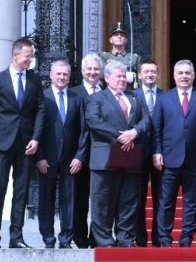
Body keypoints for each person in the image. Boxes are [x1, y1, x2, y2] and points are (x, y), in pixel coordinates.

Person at [0, 37, 45, 249]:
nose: (31, 59)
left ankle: (16, 237)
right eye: (28, 55)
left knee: (21, 192)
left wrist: (36, 138)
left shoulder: (35, 80)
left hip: (26, 145)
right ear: (15, 55)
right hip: (2, 143)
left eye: (32, 55)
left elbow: (40, 110)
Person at [84, 61, 151, 247]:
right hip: (105, 158)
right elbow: (94, 122)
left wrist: (135, 132)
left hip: (129, 157)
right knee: (102, 201)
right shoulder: (97, 98)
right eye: (118, 76)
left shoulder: (135, 98)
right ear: (107, 78)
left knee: (128, 200)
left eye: (124, 76)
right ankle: (104, 240)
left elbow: (147, 119)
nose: (122, 79)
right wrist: (122, 136)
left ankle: (125, 239)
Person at [153, 60, 196, 247]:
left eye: (187, 73)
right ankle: (164, 237)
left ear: (193, 76)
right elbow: (157, 128)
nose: (184, 76)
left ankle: (186, 237)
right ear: (174, 76)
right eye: (180, 73)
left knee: (192, 202)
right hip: (169, 159)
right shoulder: (164, 98)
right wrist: (156, 152)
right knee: (166, 201)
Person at [36, 59, 88, 249]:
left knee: (69, 200)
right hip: (47, 159)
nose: (62, 77)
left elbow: (84, 130)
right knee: (46, 200)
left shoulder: (77, 98)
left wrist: (79, 157)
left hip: (70, 159)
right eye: (58, 73)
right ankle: (48, 238)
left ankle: (66, 238)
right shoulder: (43, 97)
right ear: (51, 75)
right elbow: (37, 130)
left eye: (65, 74)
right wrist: (39, 156)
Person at [70, 52, 103, 249]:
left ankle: (97, 236)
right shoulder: (74, 93)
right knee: (79, 198)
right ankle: (80, 238)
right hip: (78, 156)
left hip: (102, 155)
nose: (92, 72)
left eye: (96, 69)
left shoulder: (108, 92)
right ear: (82, 71)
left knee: (100, 199)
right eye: (89, 69)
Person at [133, 59, 164, 247]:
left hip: (161, 153)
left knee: (161, 198)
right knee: (138, 197)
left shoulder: (166, 96)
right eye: (146, 71)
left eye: (153, 71)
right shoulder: (132, 95)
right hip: (137, 153)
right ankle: (140, 237)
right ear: (139, 74)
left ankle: (158, 237)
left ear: (157, 74)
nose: (150, 75)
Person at [100, 22, 141, 89]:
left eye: (122, 35)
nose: (119, 36)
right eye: (116, 35)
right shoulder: (104, 56)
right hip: (110, 92)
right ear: (111, 40)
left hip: (130, 92)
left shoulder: (135, 58)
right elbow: (102, 75)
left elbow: (140, 78)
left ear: (126, 40)